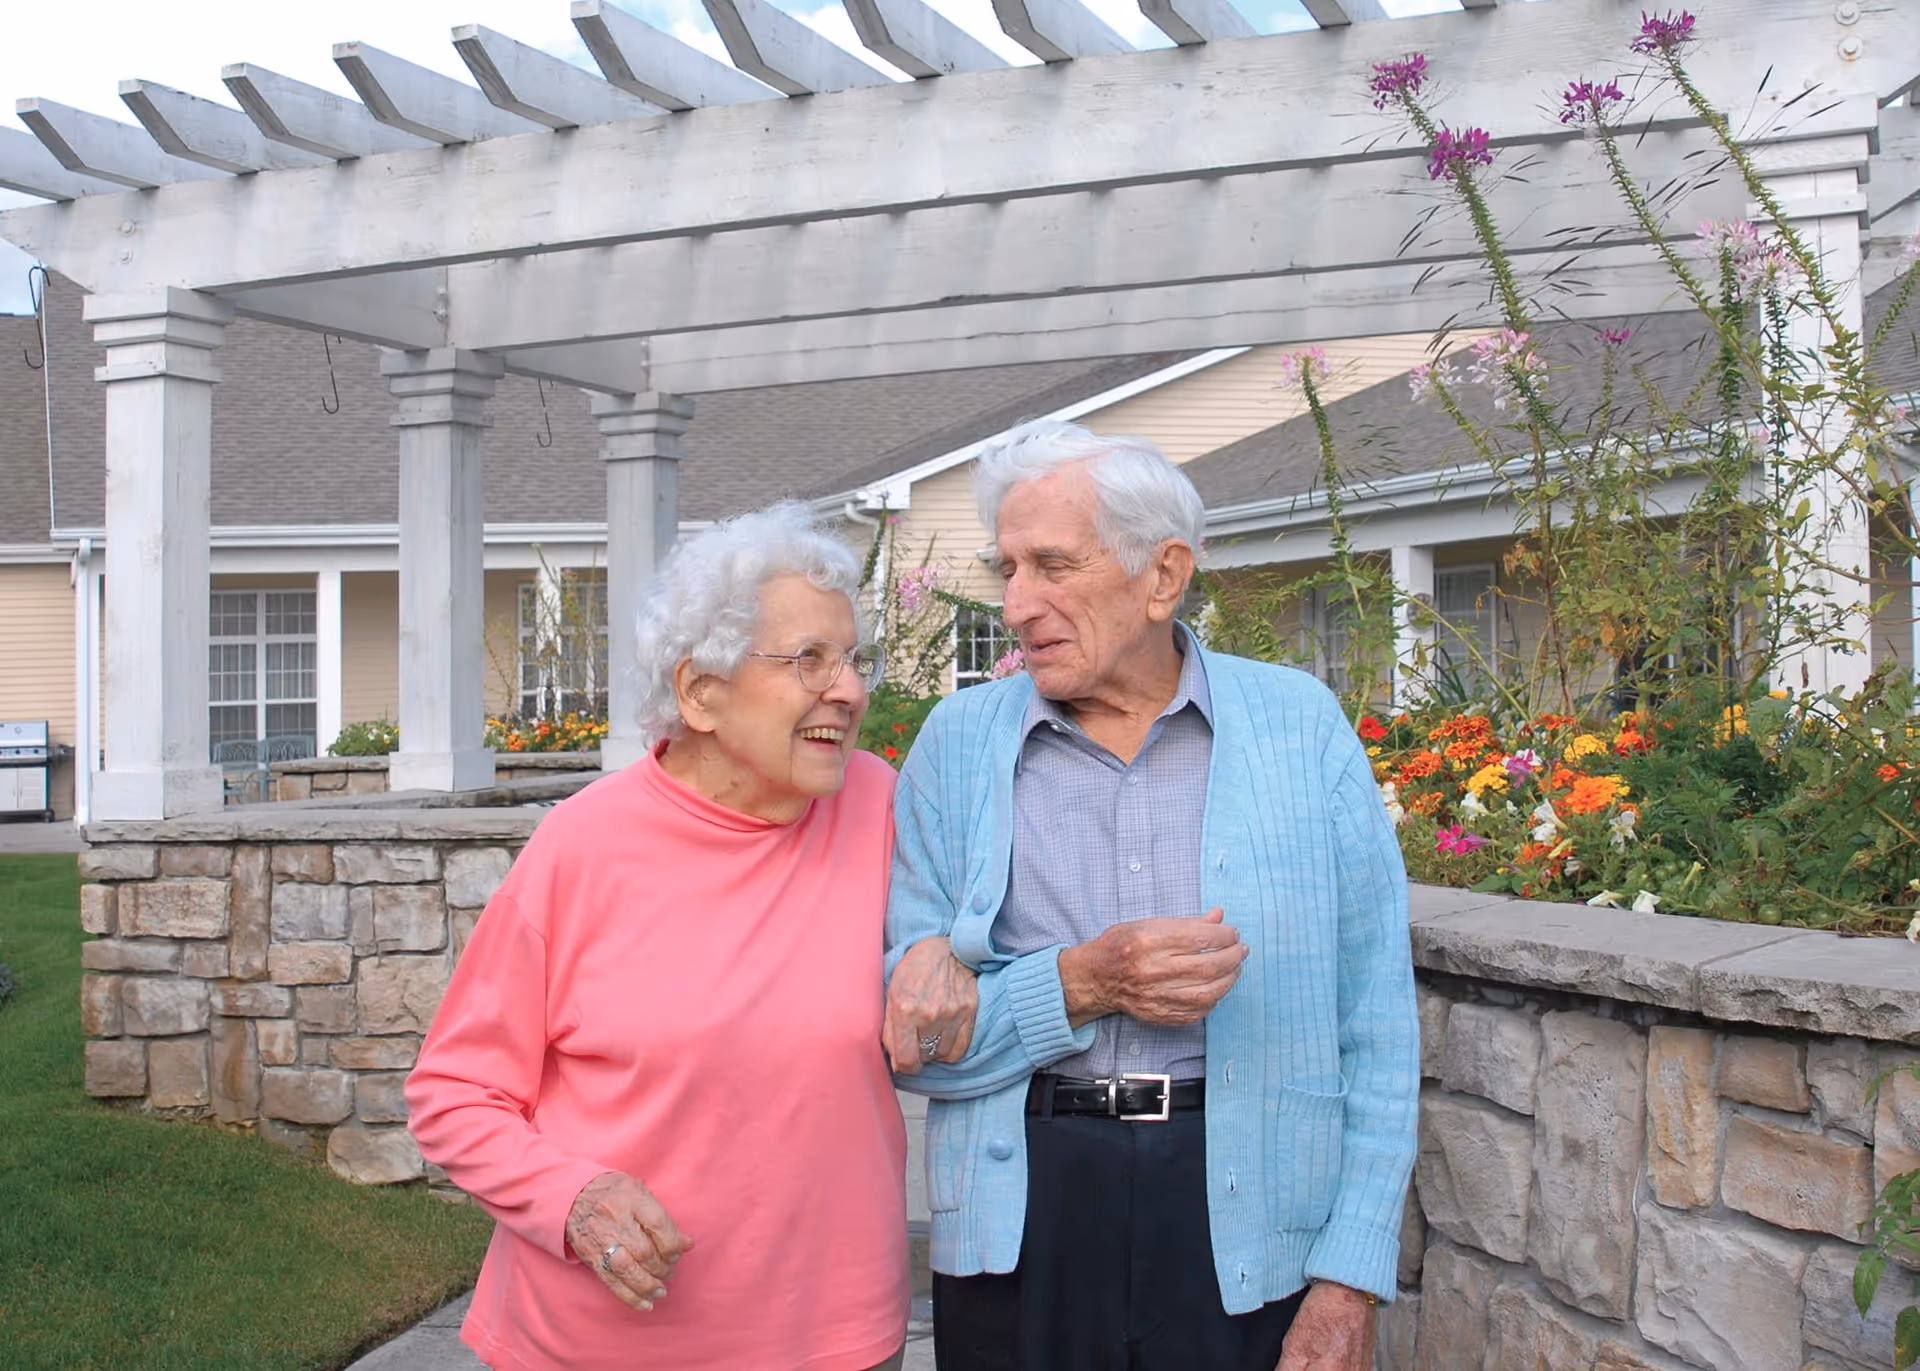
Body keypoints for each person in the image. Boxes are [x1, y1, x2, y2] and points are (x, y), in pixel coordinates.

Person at [882, 420, 1419, 1371]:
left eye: (1052, 564)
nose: (1017, 604)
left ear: (1163, 575)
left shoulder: (1300, 729)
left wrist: (1350, 1276)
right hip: (1025, 1211)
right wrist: (1083, 983)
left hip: (1253, 1219)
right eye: (1007, 568)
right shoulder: (956, 747)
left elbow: (1376, 1026)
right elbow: (915, 1051)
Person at [407, 501, 911, 1371]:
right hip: (600, 1345)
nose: (851, 690)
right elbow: (454, 1091)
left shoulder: (882, 807)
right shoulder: (582, 847)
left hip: (838, 1338)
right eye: (810, 659)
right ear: (700, 690)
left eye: (855, 659)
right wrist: (573, 1197)